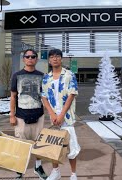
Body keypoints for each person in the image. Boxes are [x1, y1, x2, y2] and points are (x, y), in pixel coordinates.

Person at [41, 49, 81, 180]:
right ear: (49, 60)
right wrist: (52, 114)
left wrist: (62, 114)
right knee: (54, 146)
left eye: (57, 56)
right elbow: (44, 97)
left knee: (71, 147)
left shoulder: (69, 75)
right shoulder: (46, 78)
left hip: (67, 118)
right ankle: (55, 171)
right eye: (52, 57)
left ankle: (73, 174)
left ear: (61, 59)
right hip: (54, 119)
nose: (54, 58)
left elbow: (72, 94)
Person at [10, 49, 47, 179]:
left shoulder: (42, 76)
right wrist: (12, 115)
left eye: (33, 56)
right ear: (23, 59)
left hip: (39, 115)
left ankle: (38, 167)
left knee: (39, 144)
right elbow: (13, 96)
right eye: (28, 56)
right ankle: (20, 170)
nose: (30, 58)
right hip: (21, 116)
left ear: (36, 59)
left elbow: (45, 96)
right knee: (21, 145)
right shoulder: (17, 75)